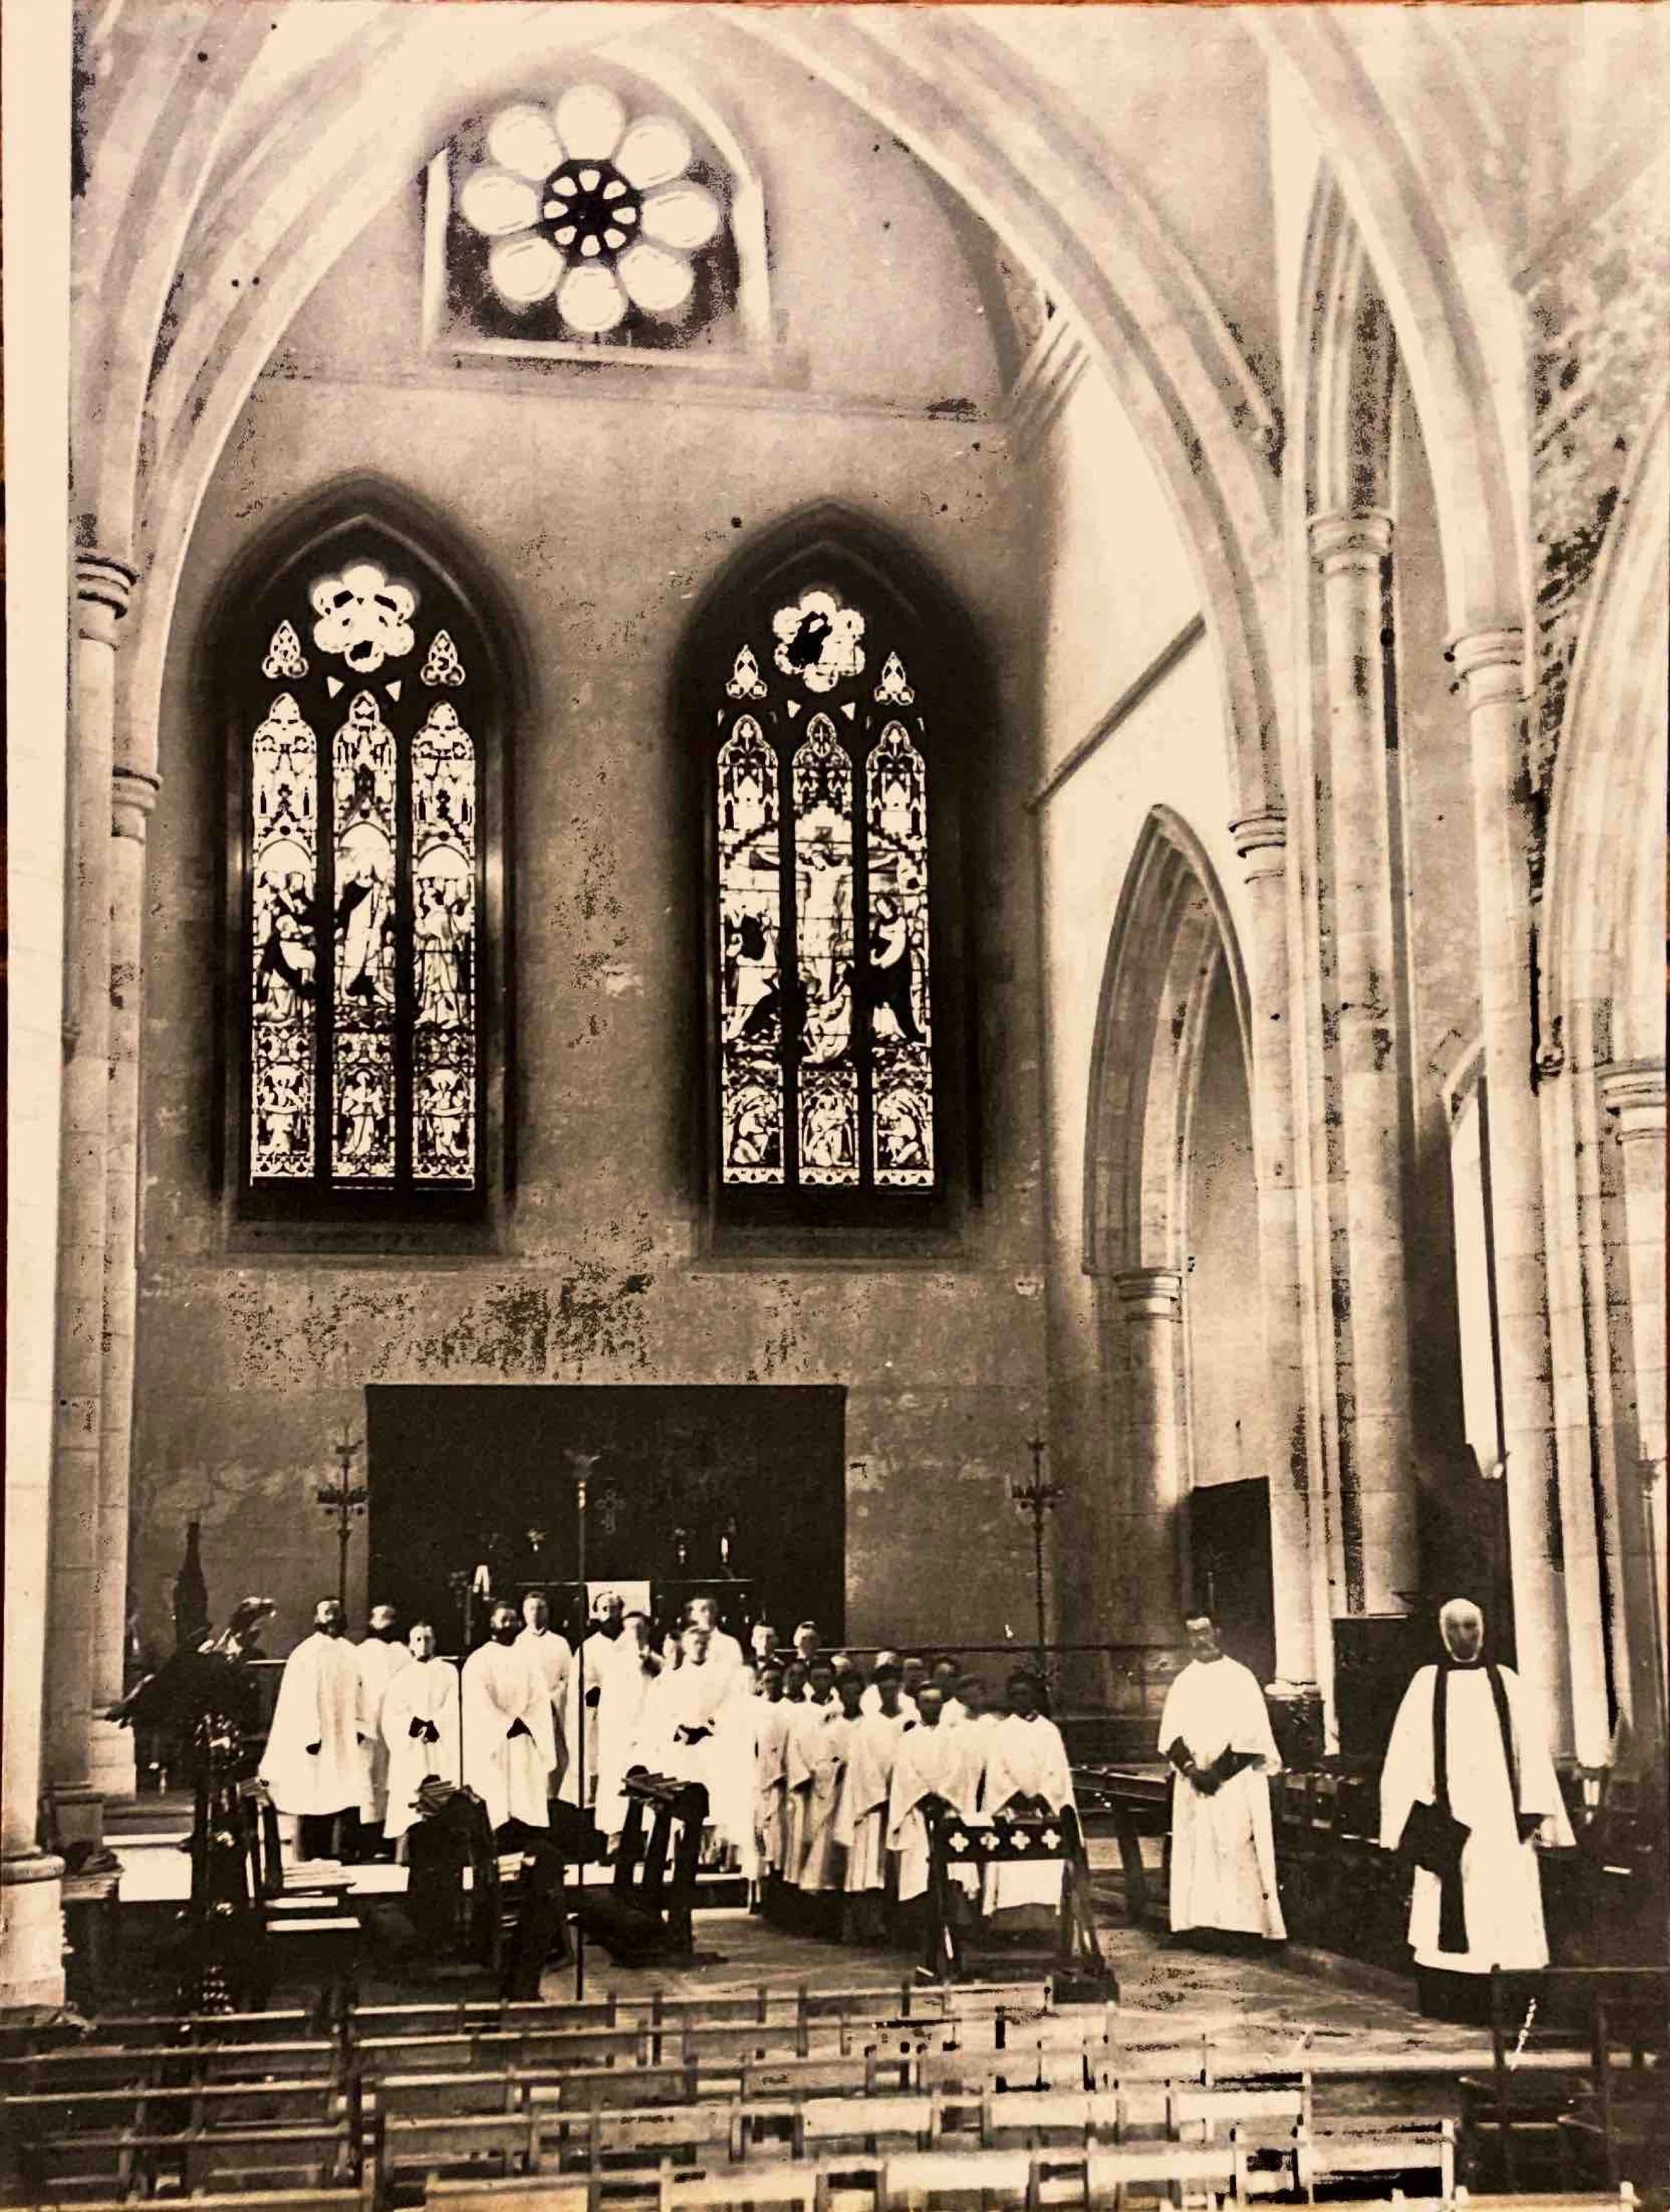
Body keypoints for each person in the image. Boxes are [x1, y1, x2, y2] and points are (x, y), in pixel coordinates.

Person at [1379, 1597, 1574, 2022]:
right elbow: (1406, 1756)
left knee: (1507, 1908)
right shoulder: (1426, 1683)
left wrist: (1532, 1811)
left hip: (1503, 1821)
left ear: (1484, 1631)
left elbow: (1530, 1751)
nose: (1463, 1636)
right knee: (1449, 1908)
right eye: (1453, 1628)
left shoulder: (1506, 1681)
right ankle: (1452, 1998)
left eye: (1471, 1627)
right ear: (1441, 1633)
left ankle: (1511, 2000)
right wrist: (1414, 1818)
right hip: (1448, 1822)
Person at [1158, 1613, 1287, 1949]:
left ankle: (1241, 1930)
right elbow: (1170, 1735)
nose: (1199, 1639)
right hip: (1194, 1785)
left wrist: (1216, 1775)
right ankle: (1199, 1926)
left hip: (1234, 1783)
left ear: (1218, 1632)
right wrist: (1192, 1771)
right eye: (1192, 1634)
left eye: (1204, 1631)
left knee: (1235, 1850)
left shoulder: (1241, 1678)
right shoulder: (1184, 1681)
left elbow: (1253, 1737)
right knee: (1197, 1851)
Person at [260, 1597, 370, 1861]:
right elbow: (299, 1698)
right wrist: (311, 1733)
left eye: (336, 1613)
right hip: (315, 1738)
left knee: (343, 1791)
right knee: (313, 1793)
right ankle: (309, 1853)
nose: (332, 1618)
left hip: (343, 1736)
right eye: (327, 1613)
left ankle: (339, 1852)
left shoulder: (351, 1652)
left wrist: (359, 1725)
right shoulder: (306, 1653)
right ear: (316, 1619)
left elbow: (361, 1692)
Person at [981, 1668, 1077, 1929]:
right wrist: (1015, 1798)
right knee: (1012, 1870)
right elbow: (997, 1772)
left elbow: (1057, 1771)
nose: (1020, 1699)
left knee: (1043, 1869)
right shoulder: (1001, 1731)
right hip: (1011, 1812)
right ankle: (1011, 1927)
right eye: (1014, 1695)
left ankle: (1045, 1924)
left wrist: (1042, 1798)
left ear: (1034, 1696)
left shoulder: (1049, 1731)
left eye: (1025, 1694)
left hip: (1043, 1812)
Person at [886, 1682, 983, 1915]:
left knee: (953, 1870)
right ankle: (922, 1922)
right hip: (917, 1812)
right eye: (926, 1702)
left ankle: (954, 1921)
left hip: (948, 1809)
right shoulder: (908, 1739)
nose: (932, 1707)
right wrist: (923, 1798)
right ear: (918, 1706)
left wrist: (943, 1797)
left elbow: (959, 1772)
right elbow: (904, 1775)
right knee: (919, 1871)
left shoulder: (955, 1737)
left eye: (936, 1702)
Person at [462, 1602, 556, 1835]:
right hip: (495, 1741)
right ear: (492, 1623)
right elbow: (477, 1700)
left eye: (514, 1620)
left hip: (525, 1736)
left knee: (524, 1797)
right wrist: (506, 1724)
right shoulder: (479, 1659)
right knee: (497, 1797)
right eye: (504, 1620)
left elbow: (539, 1697)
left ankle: (525, 1840)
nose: (509, 1625)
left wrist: (527, 1722)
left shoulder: (528, 1658)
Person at [837, 1660, 910, 1941]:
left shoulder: (911, 1720)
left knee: (904, 1867)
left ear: (900, 1688)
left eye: (893, 1689)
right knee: (870, 1866)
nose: (889, 1694)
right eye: (884, 1690)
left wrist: (903, 1793)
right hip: (875, 1805)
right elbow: (862, 1767)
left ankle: (902, 1927)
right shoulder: (867, 1726)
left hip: (906, 1804)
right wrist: (882, 1796)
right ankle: (869, 1926)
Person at [380, 1620, 462, 1856]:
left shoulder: (448, 1672)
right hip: (413, 1745)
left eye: (428, 1638)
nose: (423, 1644)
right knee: (410, 1792)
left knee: (443, 1791)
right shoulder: (402, 1677)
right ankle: (409, 1851)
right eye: (418, 1639)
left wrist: (436, 1726)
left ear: (435, 1641)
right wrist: (418, 1728)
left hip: (441, 1743)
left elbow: (454, 1705)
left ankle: (446, 1850)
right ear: (410, 1645)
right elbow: (394, 1714)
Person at [593, 1611, 661, 1844]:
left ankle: (648, 1839)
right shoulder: (615, 1663)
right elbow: (608, 1703)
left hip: (650, 1732)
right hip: (621, 1733)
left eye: (640, 1628)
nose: (636, 1633)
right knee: (617, 1782)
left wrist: (651, 1662)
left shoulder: (659, 1661)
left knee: (650, 1782)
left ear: (648, 1630)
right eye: (631, 1628)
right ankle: (616, 1839)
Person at [561, 1590, 626, 1810]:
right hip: (597, 1719)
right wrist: (599, 1691)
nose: (610, 1614)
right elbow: (581, 1687)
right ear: (597, 1614)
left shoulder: (631, 1644)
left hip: (626, 1718)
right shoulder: (589, 1648)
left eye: (614, 1609)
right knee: (595, 1765)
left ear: (621, 1612)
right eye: (605, 1609)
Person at [355, 1603, 410, 1858]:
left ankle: (392, 1841)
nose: (387, 1623)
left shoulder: (404, 1653)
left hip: (397, 1729)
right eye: (381, 1618)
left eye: (392, 1618)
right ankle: (368, 1844)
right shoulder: (361, 1653)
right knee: (369, 1783)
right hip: (370, 1727)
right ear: (371, 1622)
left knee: (394, 1781)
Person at [516, 1592, 573, 1807]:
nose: (536, 1613)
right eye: (531, 1609)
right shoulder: (517, 1643)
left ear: (547, 1612)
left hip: (554, 1710)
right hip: (527, 1711)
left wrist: (553, 1698)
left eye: (540, 1608)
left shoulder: (559, 1643)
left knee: (555, 1763)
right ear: (524, 1612)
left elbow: (568, 1678)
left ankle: (553, 1803)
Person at [689, 1595, 745, 1680]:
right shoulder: (687, 1643)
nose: (693, 1616)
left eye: (703, 1610)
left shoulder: (729, 1644)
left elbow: (735, 1676)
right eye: (692, 1611)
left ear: (712, 1613)